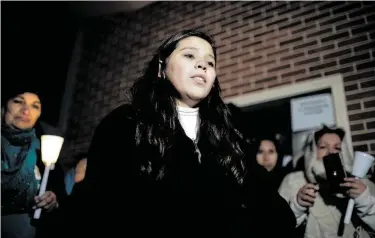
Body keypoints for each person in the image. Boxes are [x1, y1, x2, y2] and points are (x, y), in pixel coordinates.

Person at [73, 29, 296, 237]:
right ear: (161, 68)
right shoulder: (126, 123)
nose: (203, 65)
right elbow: (98, 207)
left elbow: (273, 211)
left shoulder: (228, 136)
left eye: (210, 61)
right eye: (190, 56)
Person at [279, 125, 375, 238]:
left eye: (337, 148)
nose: (331, 152)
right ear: (312, 152)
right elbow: (276, 229)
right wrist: (296, 207)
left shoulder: (363, 185)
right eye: (323, 147)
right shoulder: (293, 182)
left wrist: (366, 203)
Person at [1, 86, 66, 238]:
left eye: (35, 106)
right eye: (18, 101)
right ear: (3, 107)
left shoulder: (43, 152)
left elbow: (60, 195)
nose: (26, 110)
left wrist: (53, 200)